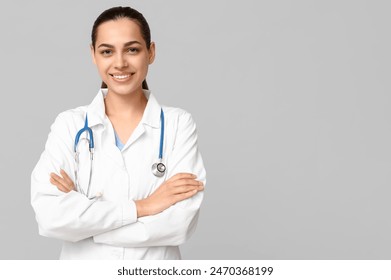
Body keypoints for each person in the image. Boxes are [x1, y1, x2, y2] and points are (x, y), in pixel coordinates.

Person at [31, 6, 206, 260]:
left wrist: (86, 224)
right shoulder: (69, 125)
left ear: (151, 52)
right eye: (107, 51)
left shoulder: (178, 124)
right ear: (93, 55)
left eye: (132, 49)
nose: (120, 62)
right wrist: (144, 207)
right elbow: (50, 217)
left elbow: (178, 224)